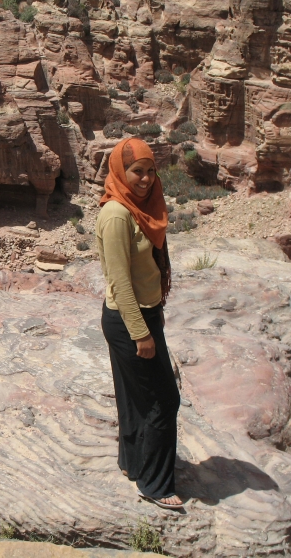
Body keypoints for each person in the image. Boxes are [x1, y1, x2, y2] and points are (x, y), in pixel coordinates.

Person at [96, 137, 182, 510]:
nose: (145, 179)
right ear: (120, 171)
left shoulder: (142, 208)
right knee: (164, 401)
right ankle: (156, 485)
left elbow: (145, 271)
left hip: (144, 313)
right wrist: (141, 333)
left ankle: (133, 465)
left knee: (134, 398)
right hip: (128, 320)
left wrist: (155, 312)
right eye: (136, 171)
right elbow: (119, 280)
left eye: (150, 171)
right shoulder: (116, 214)